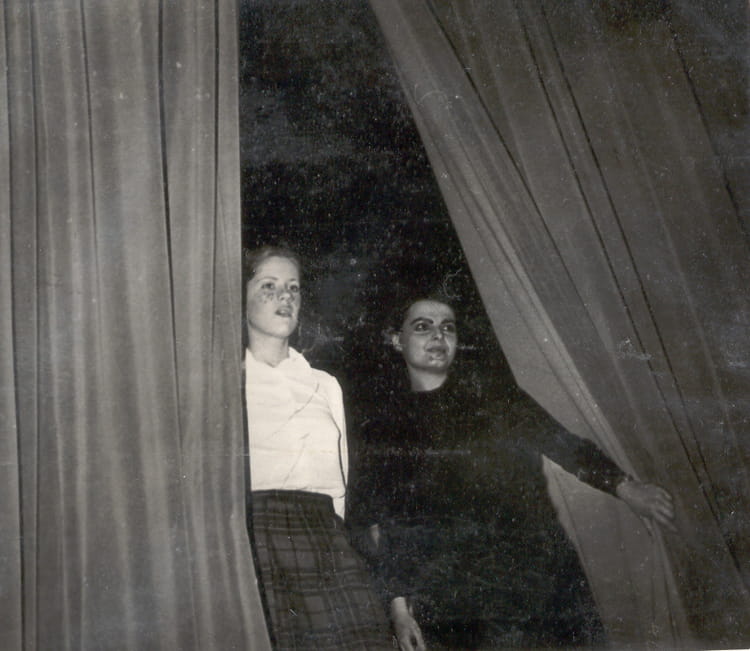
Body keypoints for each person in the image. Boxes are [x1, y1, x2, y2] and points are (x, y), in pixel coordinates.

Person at [348, 293, 675, 650]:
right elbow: (387, 524)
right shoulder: (385, 429)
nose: (439, 337)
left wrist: (625, 487)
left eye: (448, 328)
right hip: (463, 605)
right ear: (397, 339)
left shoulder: (497, 397)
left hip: (546, 582)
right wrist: (399, 610)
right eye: (423, 327)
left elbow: (562, 443)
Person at [243, 245, 391, 650]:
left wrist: (336, 537)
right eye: (269, 285)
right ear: (241, 299)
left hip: (326, 534)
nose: (285, 296)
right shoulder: (229, 380)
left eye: (293, 287)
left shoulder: (324, 384)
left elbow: (339, 477)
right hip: (259, 534)